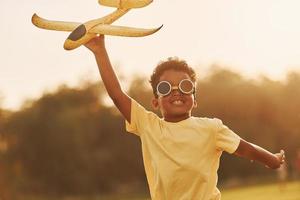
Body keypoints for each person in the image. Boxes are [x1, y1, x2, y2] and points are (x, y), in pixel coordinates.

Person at [84, 35, 286, 200]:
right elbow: (117, 95)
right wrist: (100, 52)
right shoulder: (148, 125)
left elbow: (244, 148)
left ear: (195, 100)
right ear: (155, 102)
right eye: (165, 88)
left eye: (185, 86)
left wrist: (272, 160)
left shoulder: (211, 128)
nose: (176, 92)